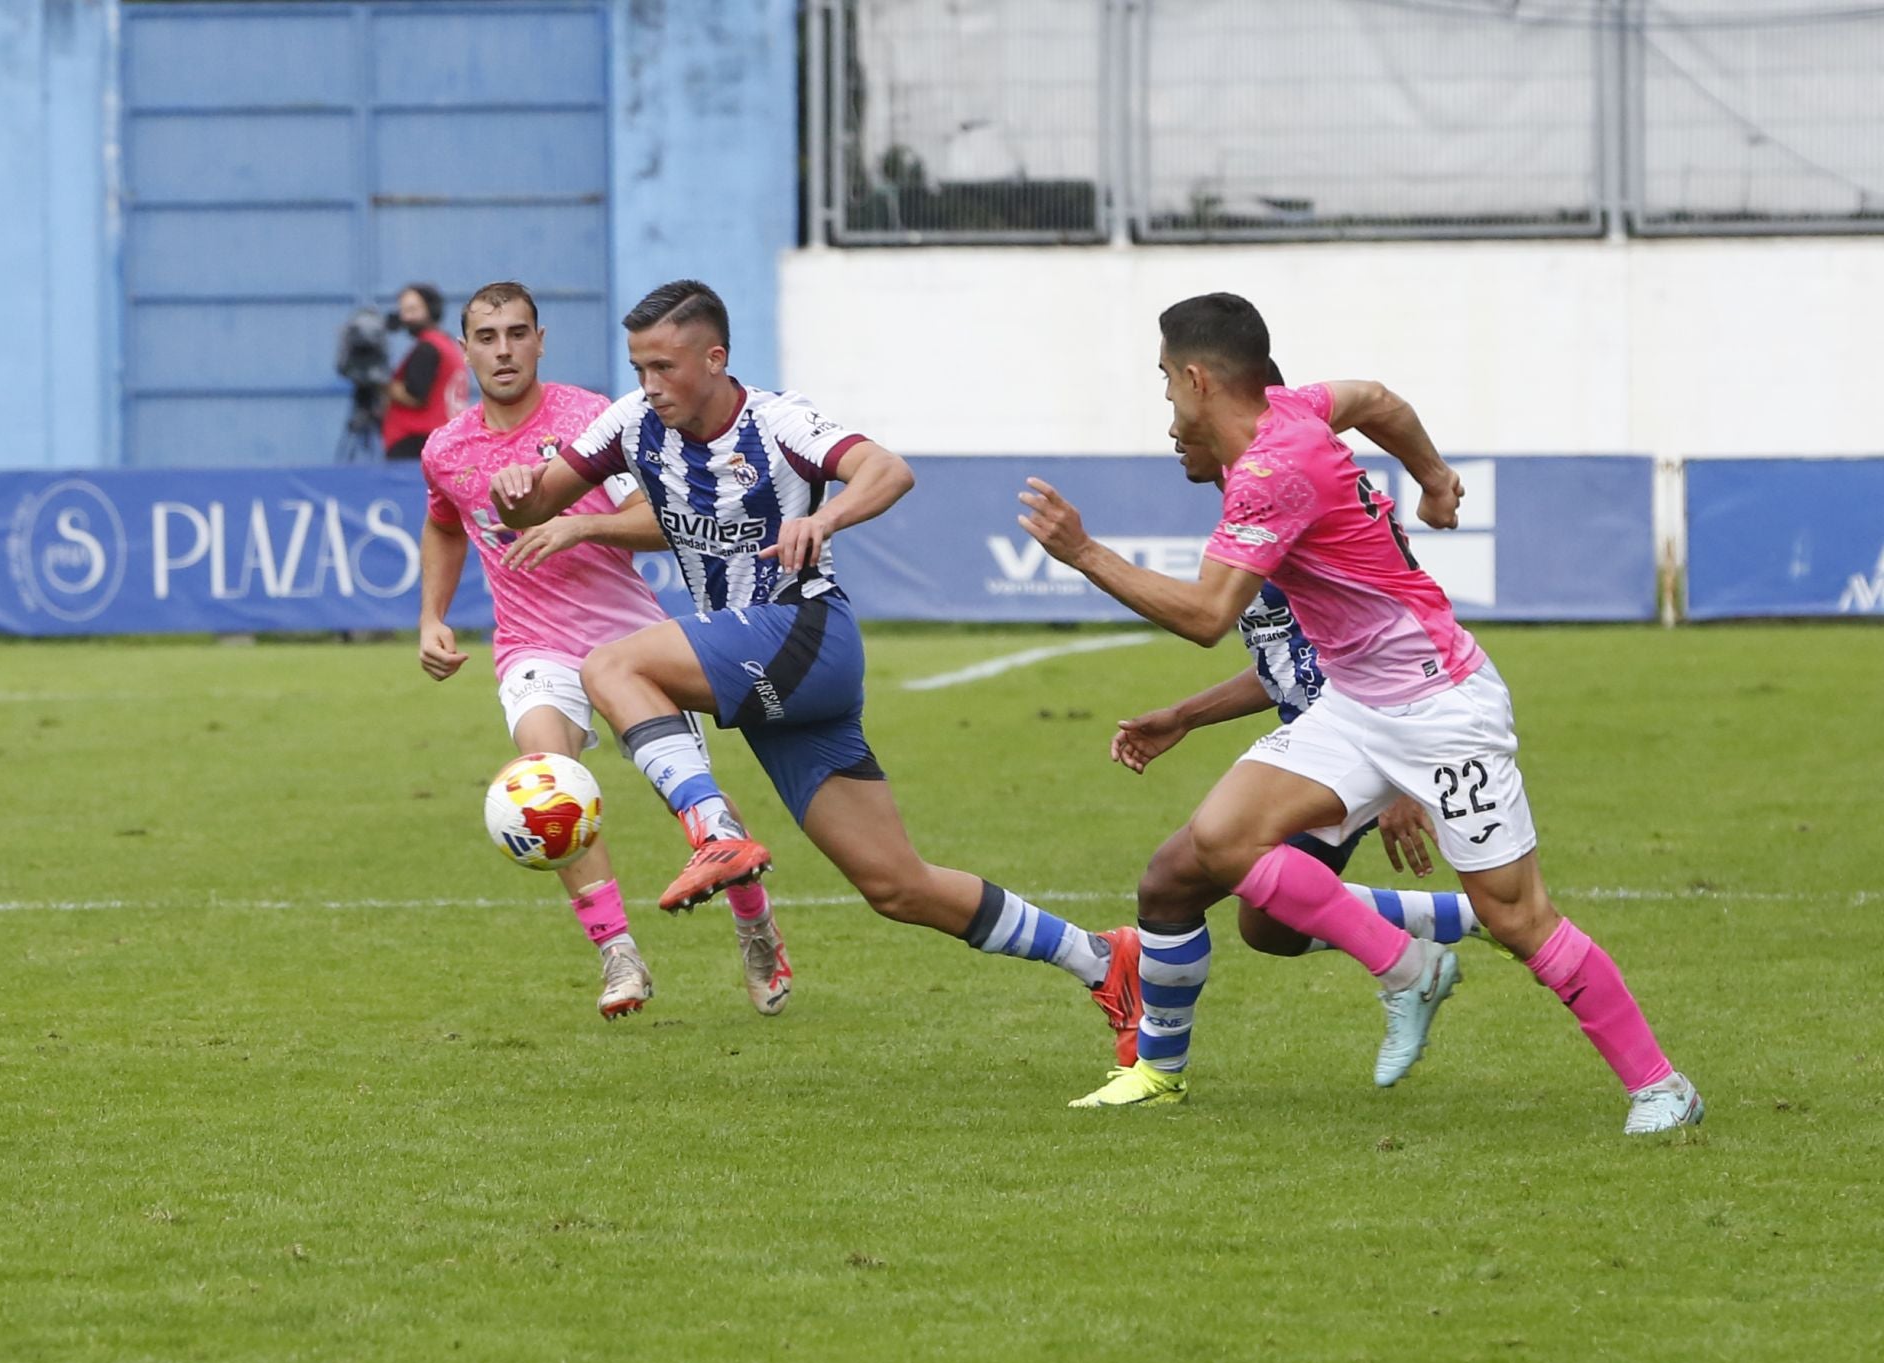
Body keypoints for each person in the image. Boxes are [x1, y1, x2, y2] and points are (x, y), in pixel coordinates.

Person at [1018, 292, 1702, 1134]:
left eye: (1165, 379)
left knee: (1517, 915)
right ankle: (1408, 968)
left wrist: (1083, 552)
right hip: (1354, 703)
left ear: (1197, 379)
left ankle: (1661, 1086)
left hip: (1441, 707)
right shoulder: (1295, 409)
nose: (1165, 398)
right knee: (1220, 840)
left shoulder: (1268, 474)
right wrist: (1434, 478)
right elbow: (1376, 399)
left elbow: (1206, 616)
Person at [491, 278, 1144, 1054]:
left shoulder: (777, 420)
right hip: (764, 669)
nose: (650, 384)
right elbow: (532, 507)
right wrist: (513, 491)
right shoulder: (631, 423)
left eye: (665, 367)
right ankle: (1101, 958)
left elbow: (888, 469)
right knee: (896, 885)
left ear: (715, 358)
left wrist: (824, 518)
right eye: (639, 368)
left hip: (805, 633)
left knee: (610, 666)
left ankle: (713, 830)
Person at [418, 279, 791, 1020]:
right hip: (532, 646)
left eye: (517, 334)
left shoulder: (592, 419)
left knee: (689, 794)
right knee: (546, 782)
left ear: (540, 341)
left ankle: (755, 922)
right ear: (465, 349)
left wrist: (573, 521)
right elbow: (444, 523)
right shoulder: (446, 449)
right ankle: (618, 953)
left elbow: (663, 517)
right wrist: (432, 616)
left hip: (631, 645)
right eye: (487, 337)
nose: (503, 350)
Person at [1109, 576, 1483, 1077]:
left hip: (1350, 757)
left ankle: (1157, 1072)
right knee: (1270, 928)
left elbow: (1396, 646)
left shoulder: (1302, 535)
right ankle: (1475, 915)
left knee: (1169, 885)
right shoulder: (1256, 537)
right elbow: (1288, 664)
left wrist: (1400, 778)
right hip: (1324, 750)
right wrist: (1185, 716)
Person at [385, 283, 470, 460]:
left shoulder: (428, 347)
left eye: (412, 309)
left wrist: (381, 384)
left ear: (431, 310)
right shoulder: (447, 345)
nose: (405, 317)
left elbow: (415, 395)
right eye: (403, 310)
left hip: (416, 441)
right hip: (444, 437)